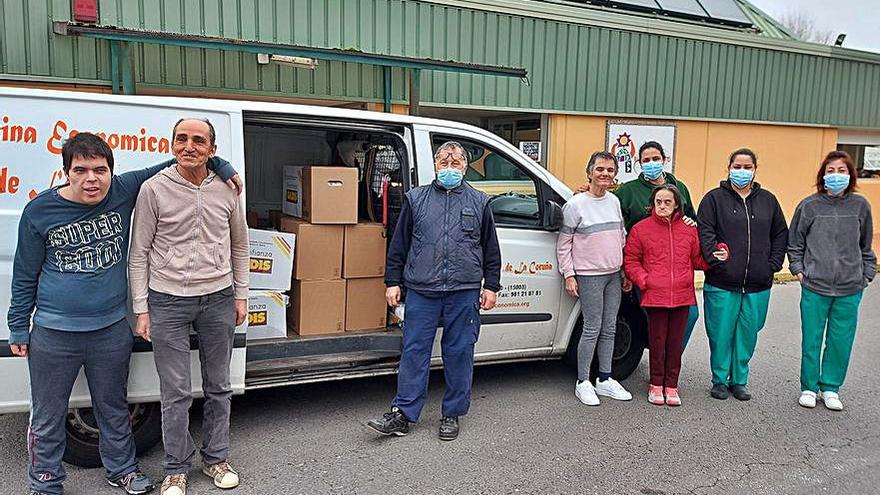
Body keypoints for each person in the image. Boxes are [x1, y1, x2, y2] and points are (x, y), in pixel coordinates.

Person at [6, 132, 239, 495]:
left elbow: (178, 161)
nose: (91, 179)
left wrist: (220, 164)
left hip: (110, 328)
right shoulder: (40, 211)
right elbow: (24, 274)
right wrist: (18, 327)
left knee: (114, 408)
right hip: (54, 332)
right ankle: (45, 482)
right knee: (47, 415)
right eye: (80, 170)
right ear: (65, 171)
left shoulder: (123, 189)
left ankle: (122, 471)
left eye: (100, 170)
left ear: (112, 172)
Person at [129, 118, 249, 495]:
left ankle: (216, 459)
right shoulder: (154, 189)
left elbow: (240, 245)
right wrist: (141, 307)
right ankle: (176, 468)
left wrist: (241, 294)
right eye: (182, 139)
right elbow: (139, 253)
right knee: (175, 390)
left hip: (218, 297)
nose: (189, 146)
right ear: (172, 144)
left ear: (212, 150)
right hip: (167, 300)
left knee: (219, 385)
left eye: (199, 140)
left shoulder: (228, 190)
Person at [366, 141, 501, 441]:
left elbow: (491, 249)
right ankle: (403, 414)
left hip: (463, 291)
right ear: (436, 166)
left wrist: (491, 285)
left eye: (456, 164)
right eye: (444, 163)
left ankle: (451, 413)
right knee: (414, 353)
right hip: (422, 290)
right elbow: (398, 245)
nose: (450, 169)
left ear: (465, 168)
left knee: (459, 353)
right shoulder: (416, 199)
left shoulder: (480, 202)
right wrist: (392, 281)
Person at [578, 141, 701, 351]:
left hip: (675, 270)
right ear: (639, 163)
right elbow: (601, 205)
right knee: (655, 317)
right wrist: (584, 192)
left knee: (690, 315)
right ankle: (658, 363)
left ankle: (671, 358)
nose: (651, 163)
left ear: (665, 160)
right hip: (645, 268)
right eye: (646, 160)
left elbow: (691, 220)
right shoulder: (628, 191)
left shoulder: (680, 188)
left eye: (656, 159)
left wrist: (692, 223)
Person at [697, 148, 788, 401]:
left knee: (748, 333)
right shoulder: (713, 199)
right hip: (722, 282)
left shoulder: (768, 200)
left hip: (758, 283)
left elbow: (780, 233)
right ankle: (719, 380)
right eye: (737, 166)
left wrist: (773, 263)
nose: (742, 171)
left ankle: (739, 380)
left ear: (755, 169)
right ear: (728, 168)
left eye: (747, 167)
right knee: (720, 332)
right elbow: (705, 233)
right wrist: (716, 260)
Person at [788, 151, 875, 411]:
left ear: (850, 175)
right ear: (822, 175)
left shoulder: (861, 206)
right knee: (812, 338)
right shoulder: (809, 206)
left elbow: (866, 244)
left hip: (850, 287)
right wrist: (799, 270)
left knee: (841, 340)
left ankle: (831, 387)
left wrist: (866, 274)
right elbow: (795, 243)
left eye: (841, 171)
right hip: (815, 285)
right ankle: (808, 386)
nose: (836, 176)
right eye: (830, 171)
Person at [624, 185, 725, 406]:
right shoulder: (641, 229)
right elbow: (631, 260)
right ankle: (655, 384)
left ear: (677, 204)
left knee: (675, 342)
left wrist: (716, 255)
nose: (662, 206)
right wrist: (645, 280)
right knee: (658, 341)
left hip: (682, 295)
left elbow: (697, 260)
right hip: (655, 296)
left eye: (667, 202)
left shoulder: (689, 230)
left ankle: (672, 385)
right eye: (658, 202)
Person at [557, 151, 633, 406]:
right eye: (600, 169)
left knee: (610, 327)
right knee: (592, 328)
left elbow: (620, 237)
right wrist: (569, 274)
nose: (605, 174)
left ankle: (605, 378)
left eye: (610, 170)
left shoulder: (613, 201)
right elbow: (564, 243)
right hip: (589, 275)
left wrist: (623, 271)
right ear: (589, 171)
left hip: (613, 274)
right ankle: (583, 382)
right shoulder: (576, 204)